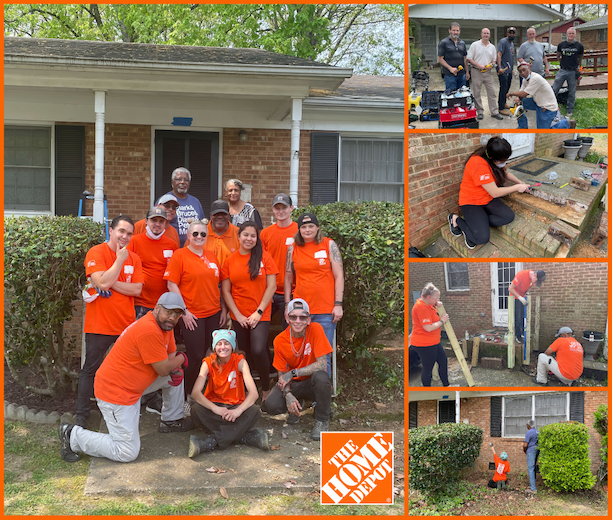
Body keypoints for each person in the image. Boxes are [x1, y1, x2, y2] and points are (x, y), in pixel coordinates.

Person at [59, 293, 193, 463]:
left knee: (176, 375)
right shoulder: (149, 329)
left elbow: (170, 358)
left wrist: (175, 362)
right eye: (169, 312)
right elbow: (163, 368)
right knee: (126, 451)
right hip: (116, 393)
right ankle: (72, 435)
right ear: (157, 308)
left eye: (177, 314)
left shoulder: (165, 326)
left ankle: (171, 420)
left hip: (133, 384)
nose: (172, 318)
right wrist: (182, 358)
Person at [76, 215, 143, 428]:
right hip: (100, 325)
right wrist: (118, 262)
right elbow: (101, 282)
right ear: (111, 230)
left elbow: (137, 289)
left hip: (126, 325)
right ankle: (82, 416)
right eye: (121, 231)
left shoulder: (135, 258)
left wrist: (109, 282)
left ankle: (119, 412)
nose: (125, 236)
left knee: (124, 371)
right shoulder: (97, 252)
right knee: (91, 369)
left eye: (129, 233)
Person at [164, 220, 226, 398]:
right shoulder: (180, 255)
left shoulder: (211, 256)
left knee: (208, 353)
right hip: (193, 314)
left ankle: (201, 391)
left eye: (203, 234)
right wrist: (184, 311)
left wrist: (223, 309)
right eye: (195, 234)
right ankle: (186, 394)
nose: (199, 237)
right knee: (196, 354)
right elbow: (171, 284)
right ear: (189, 236)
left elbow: (218, 285)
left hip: (213, 313)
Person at [188, 329, 269, 457]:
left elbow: (254, 393)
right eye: (219, 344)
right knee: (196, 409)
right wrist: (215, 409)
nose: (223, 347)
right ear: (214, 347)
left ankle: (211, 442)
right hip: (215, 408)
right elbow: (195, 393)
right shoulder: (208, 362)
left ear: (232, 346)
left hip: (235, 408)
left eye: (226, 343)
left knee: (254, 410)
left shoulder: (240, 361)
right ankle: (244, 436)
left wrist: (238, 411)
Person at [221, 221, 278, 400]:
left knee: (259, 349)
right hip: (239, 314)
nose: (249, 239)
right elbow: (225, 291)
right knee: (243, 352)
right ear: (239, 237)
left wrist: (258, 312)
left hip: (260, 313)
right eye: (245, 235)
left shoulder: (265, 257)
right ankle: (246, 389)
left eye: (253, 236)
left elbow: (272, 287)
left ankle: (266, 390)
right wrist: (237, 315)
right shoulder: (230, 260)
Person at [261, 298, 332, 441]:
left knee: (322, 377)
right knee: (270, 405)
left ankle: (322, 419)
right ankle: (298, 404)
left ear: (308, 319)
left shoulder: (316, 329)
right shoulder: (280, 340)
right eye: (293, 316)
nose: (298, 321)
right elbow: (282, 375)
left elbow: (322, 365)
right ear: (287, 319)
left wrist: (293, 373)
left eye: (302, 317)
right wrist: (288, 395)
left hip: (313, 381)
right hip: (294, 384)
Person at [284, 213, 344, 376]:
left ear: (317, 228)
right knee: (301, 353)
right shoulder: (293, 249)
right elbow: (288, 278)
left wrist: (338, 304)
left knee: (323, 356)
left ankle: (323, 396)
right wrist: (287, 305)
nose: (307, 230)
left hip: (325, 310)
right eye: (303, 227)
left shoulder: (328, 244)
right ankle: (303, 391)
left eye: (311, 226)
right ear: (299, 230)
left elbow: (339, 276)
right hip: (300, 312)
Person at [448, 137, 531, 249]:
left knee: (508, 216)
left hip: (486, 198)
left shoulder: (492, 156)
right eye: (503, 161)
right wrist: (517, 187)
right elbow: (495, 192)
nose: (504, 163)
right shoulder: (478, 164)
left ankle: (478, 223)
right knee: (482, 238)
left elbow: (504, 173)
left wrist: (521, 183)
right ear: (492, 157)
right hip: (471, 201)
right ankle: (455, 219)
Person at [128, 207, 179, 320]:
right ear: (146, 221)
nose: (157, 224)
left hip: (165, 303)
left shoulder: (172, 244)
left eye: (161, 221)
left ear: (165, 223)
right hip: (140, 303)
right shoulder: (133, 242)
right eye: (154, 220)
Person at [260, 193, 298, 329]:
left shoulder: (299, 231)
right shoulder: (265, 233)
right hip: (269, 290)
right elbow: (261, 261)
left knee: (290, 329)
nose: (280, 211)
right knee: (258, 327)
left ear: (291, 208)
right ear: (273, 209)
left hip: (292, 291)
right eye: (277, 208)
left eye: (284, 208)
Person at [409, 283, 450, 387]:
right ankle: (427, 389)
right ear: (428, 297)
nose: (438, 299)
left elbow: (437, 314)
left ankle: (446, 385)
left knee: (443, 362)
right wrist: (442, 321)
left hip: (434, 341)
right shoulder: (421, 307)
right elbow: (428, 327)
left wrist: (438, 304)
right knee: (428, 368)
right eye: (436, 297)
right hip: (424, 344)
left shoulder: (429, 304)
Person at [508, 61, 570, 129]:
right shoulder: (525, 79)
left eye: (524, 70)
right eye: (520, 71)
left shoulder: (535, 78)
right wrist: (517, 97)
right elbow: (521, 91)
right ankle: (523, 127)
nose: (523, 73)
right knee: (516, 104)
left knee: (542, 132)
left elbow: (524, 94)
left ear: (529, 67)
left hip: (547, 107)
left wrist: (511, 93)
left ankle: (566, 123)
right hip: (537, 103)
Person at [157, 167, 205, 247]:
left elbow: (202, 224)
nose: (182, 182)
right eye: (179, 179)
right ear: (172, 182)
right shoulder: (165, 201)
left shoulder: (195, 201)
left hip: (193, 248)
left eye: (186, 180)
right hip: (170, 247)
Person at [466, 28, 503, 121]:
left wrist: (492, 65)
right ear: (481, 34)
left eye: (488, 33)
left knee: (492, 93)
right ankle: (480, 112)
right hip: (476, 71)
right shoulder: (475, 45)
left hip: (488, 72)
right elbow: (469, 58)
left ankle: (494, 112)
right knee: (477, 93)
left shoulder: (492, 47)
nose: (486, 35)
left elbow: (494, 59)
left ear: (489, 35)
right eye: (484, 33)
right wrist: (479, 65)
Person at [552, 27, 584, 117]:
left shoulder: (579, 46)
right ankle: (551, 107)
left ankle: (569, 110)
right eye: (569, 33)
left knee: (572, 92)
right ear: (567, 35)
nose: (571, 35)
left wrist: (576, 66)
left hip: (573, 72)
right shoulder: (561, 45)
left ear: (575, 34)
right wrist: (562, 62)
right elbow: (558, 55)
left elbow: (580, 57)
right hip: (562, 70)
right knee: (554, 89)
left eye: (572, 33)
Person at [508, 269, 546, 342]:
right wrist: (519, 298)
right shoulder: (521, 275)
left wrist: (527, 294)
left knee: (523, 316)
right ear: (535, 275)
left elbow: (529, 286)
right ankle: (518, 336)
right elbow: (510, 289)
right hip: (515, 297)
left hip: (522, 297)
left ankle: (522, 333)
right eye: (536, 281)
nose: (535, 283)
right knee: (518, 318)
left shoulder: (533, 278)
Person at [437, 22, 469, 91]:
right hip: (450, 75)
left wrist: (467, 72)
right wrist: (450, 68)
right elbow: (440, 59)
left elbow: (464, 58)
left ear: (459, 31)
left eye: (457, 30)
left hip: (462, 74)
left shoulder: (462, 43)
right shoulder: (443, 43)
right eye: (453, 30)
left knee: (462, 95)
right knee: (451, 96)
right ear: (449, 31)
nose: (455, 32)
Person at [206, 199, 239, 263]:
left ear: (229, 215)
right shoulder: (199, 234)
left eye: (223, 214)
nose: (220, 217)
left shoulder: (239, 234)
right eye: (216, 214)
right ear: (210, 215)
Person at [497, 27, 516, 116]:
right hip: (503, 70)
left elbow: (510, 58)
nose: (511, 34)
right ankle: (500, 108)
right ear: (507, 33)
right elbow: (499, 54)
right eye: (510, 32)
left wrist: (512, 69)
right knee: (503, 88)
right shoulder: (503, 42)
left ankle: (504, 103)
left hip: (509, 70)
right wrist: (500, 67)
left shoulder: (511, 44)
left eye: (513, 33)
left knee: (507, 88)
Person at [523, 419, 539, 494]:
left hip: (531, 451)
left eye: (527, 424)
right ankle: (532, 485)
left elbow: (525, 445)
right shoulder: (537, 432)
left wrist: (524, 450)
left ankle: (533, 489)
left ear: (529, 425)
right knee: (533, 467)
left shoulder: (529, 432)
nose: (526, 425)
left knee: (530, 468)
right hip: (537, 450)